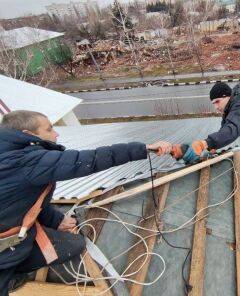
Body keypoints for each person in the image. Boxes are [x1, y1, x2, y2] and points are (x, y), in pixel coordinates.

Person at [0, 110, 172, 295]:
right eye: (50, 129)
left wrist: (56, 221)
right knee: (70, 246)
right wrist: (145, 148)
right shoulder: (25, 162)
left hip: (12, 228)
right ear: (29, 135)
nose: (56, 134)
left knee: (73, 244)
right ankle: (12, 274)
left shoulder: (10, 152)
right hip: (5, 251)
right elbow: (90, 159)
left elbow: (26, 199)